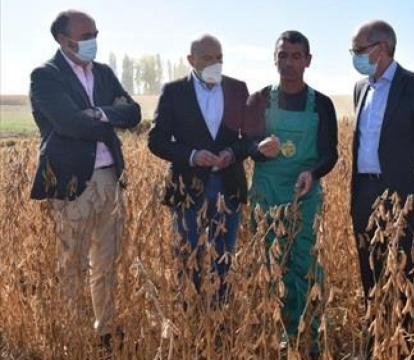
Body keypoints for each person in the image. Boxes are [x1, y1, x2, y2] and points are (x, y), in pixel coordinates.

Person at [29, 10, 141, 349]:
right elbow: (68, 124)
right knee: (72, 264)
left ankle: (104, 329)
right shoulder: (45, 77)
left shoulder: (104, 73)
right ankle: (75, 333)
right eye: (86, 35)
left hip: (109, 177)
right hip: (70, 181)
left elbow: (134, 113)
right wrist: (108, 117)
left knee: (107, 259)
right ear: (64, 40)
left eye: (96, 33)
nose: (94, 40)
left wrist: (99, 112)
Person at [245, 30, 338, 356]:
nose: (288, 62)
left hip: (304, 195)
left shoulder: (322, 105)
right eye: (282, 55)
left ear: (308, 61)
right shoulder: (258, 99)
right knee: (268, 266)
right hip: (266, 195)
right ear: (274, 58)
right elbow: (243, 143)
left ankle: (309, 335)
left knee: (306, 265)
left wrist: (312, 174)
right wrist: (258, 148)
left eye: (296, 56)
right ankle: (276, 334)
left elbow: (330, 153)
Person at [350, 19, 414, 305]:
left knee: (406, 272)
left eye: (358, 49)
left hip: (406, 197)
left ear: (381, 48)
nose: (354, 56)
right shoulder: (360, 88)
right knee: (369, 272)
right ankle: (376, 340)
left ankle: (407, 345)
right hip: (365, 193)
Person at [148, 34, 249, 299]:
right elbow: (156, 141)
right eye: (207, 58)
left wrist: (231, 152)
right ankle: (191, 312)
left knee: (224, 256)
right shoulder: (173, 91)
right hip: (187, 187)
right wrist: (192, 155)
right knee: (188, 253)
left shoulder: (238, 89)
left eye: (220, 58)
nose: (216, 63)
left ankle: (221, 316)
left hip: (228, 185)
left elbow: (248, 138)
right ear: (191, 60)